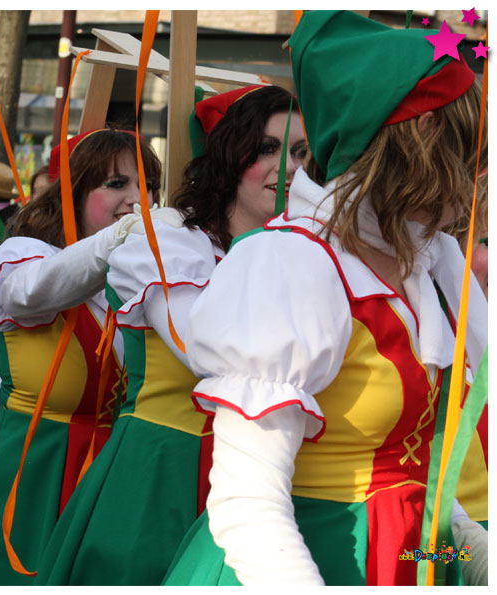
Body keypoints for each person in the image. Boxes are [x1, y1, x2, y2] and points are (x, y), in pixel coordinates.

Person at [164, 11, 488, 586]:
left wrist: (468, 552)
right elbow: (247, 505)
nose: (477, 178)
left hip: (401, 562)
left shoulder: (419, 261)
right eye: (468, 154)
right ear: (412, 154)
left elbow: (408, 481)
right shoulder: (291, 264)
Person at [35, 85, 306, 585]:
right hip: (160, 470)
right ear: (227, 155)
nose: (288, 167)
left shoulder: (304, 253)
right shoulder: (171, 241)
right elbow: (203, 352)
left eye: (299, 152)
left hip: (269, 479)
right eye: (267, 148)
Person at [0, 128, 161, 585]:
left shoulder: (139, 279)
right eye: (117, 184)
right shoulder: (25, 254)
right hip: (26, 470)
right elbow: (37, 290)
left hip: (106, 475)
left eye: (147, 187)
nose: (136, 198)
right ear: (73, 192)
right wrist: (119, 239)